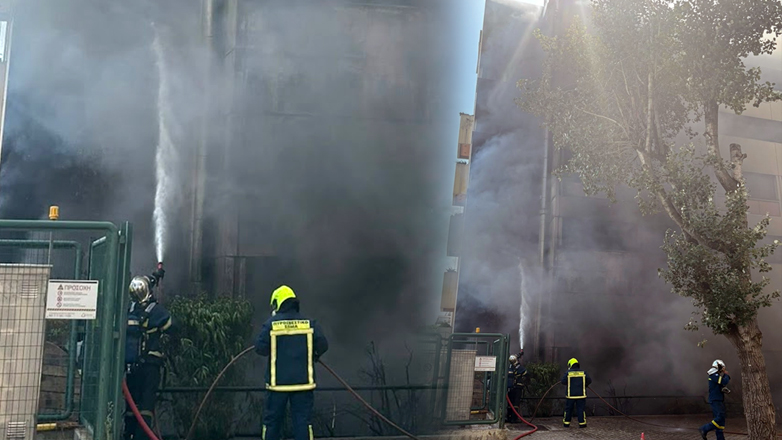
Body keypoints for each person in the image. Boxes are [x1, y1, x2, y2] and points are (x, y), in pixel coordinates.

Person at [256, 285, 329, 440]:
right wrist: (313, 354)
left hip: (277, 385)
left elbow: (260, 348)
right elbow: (323, 345)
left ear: (278, 303)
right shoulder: (310, 324)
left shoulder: (271, 324)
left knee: (272, 424)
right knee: (303, 423)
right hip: (303, 384)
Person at [124, 265, 171, 440]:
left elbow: (144, 285)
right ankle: (142, 437)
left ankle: (128, 434)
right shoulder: (155, 311)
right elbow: (173, 326)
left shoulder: (130, 309)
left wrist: (154, 277)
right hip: (150, 367)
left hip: (131, 366)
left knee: (131, 406)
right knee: (146, 405)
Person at [700, 359, 731, 440]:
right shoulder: (714, 375)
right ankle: (704, 428)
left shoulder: (715, 375)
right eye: (722, 367)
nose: (723, 369)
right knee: (720, 417)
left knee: (721, 421)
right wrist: (726, 375)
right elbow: (724, 381)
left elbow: (720, 385)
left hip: (718, 399)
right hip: (715, 400)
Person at [561, 357, 591, 428]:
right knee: (581, 409)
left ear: (570, 365)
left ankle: (566, 423)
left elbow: (563, 381)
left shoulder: (568, 373)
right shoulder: (583, 372)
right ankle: (582, 424)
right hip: (581, 395)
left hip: (570, 395)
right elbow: (589, 380)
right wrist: (584, 384)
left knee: (568, 410)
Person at [505, 352, 528, 422]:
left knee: (510, 403)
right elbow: (526, 373)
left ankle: (509, 417)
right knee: (515, 403)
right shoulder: (519, 368)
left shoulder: (509, 367)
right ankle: (514, 418)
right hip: (517, 388)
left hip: (510, 388)